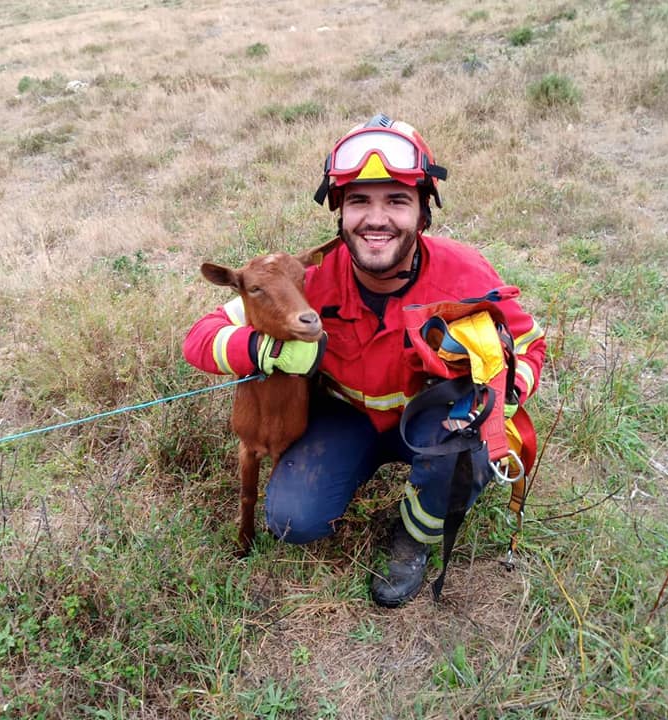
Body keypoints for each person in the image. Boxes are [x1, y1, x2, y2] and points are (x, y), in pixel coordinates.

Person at [183, 114, 545, 607]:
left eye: (396, 200)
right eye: (359, 202)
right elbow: (201, 336)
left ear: (423, 213)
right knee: (293, 521)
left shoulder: (463, 272)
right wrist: (264, 350)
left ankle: (413, 537)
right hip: (348, 419)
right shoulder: (311, 280)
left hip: (433, 422)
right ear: (340, 214)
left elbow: (528, 343)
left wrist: (502, 399)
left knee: (465, 454)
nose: (376, 219)